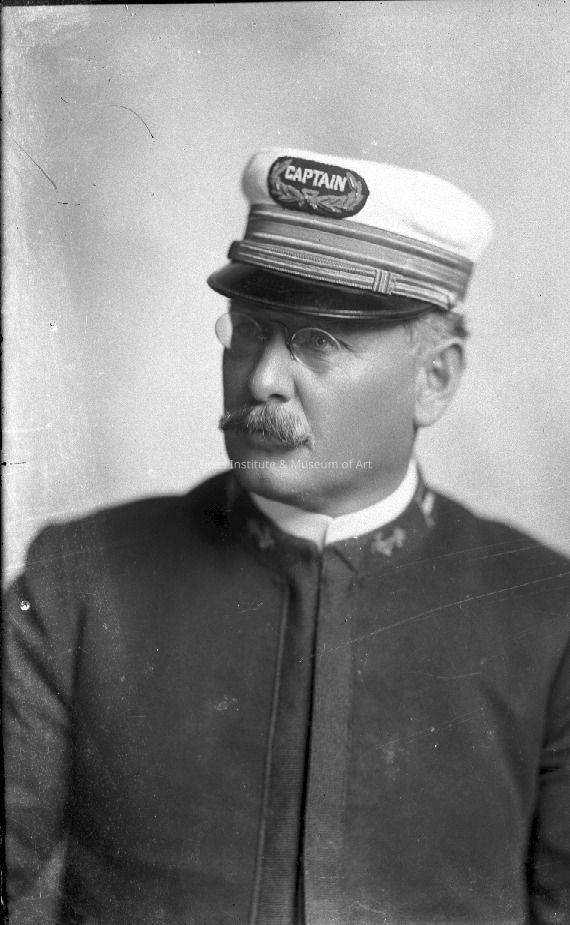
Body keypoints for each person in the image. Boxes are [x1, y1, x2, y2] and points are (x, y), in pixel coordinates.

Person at [3, 147, 569, 925]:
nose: (263, 379)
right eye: (249, 330)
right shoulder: (76, 585)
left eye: (318, 341)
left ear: (434, 379)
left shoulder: (548, 617)